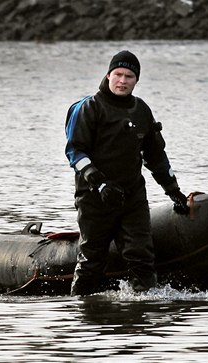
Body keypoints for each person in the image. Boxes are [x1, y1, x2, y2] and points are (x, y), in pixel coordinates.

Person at [64, 50, 189, 295]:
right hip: (95, 198)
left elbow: (156, 156)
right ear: (108, 75)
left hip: (132, 197)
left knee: (142, 256)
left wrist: (174, 192)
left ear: (136, 80)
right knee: (92, 260)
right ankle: (80, 309)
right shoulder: (88, 108)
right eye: (118, 74)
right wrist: (99, 183)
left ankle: (141, 311)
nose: (122, 80)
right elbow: (75, 153)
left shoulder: (141, 110)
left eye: (129, 76)